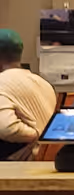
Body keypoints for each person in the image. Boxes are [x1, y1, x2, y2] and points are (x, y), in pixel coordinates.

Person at [0, 30, 57, 159]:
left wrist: (37, 133)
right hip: (49, 158)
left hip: (23, 162)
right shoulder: (42, 82)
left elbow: (7, 129)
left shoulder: (1, 83)